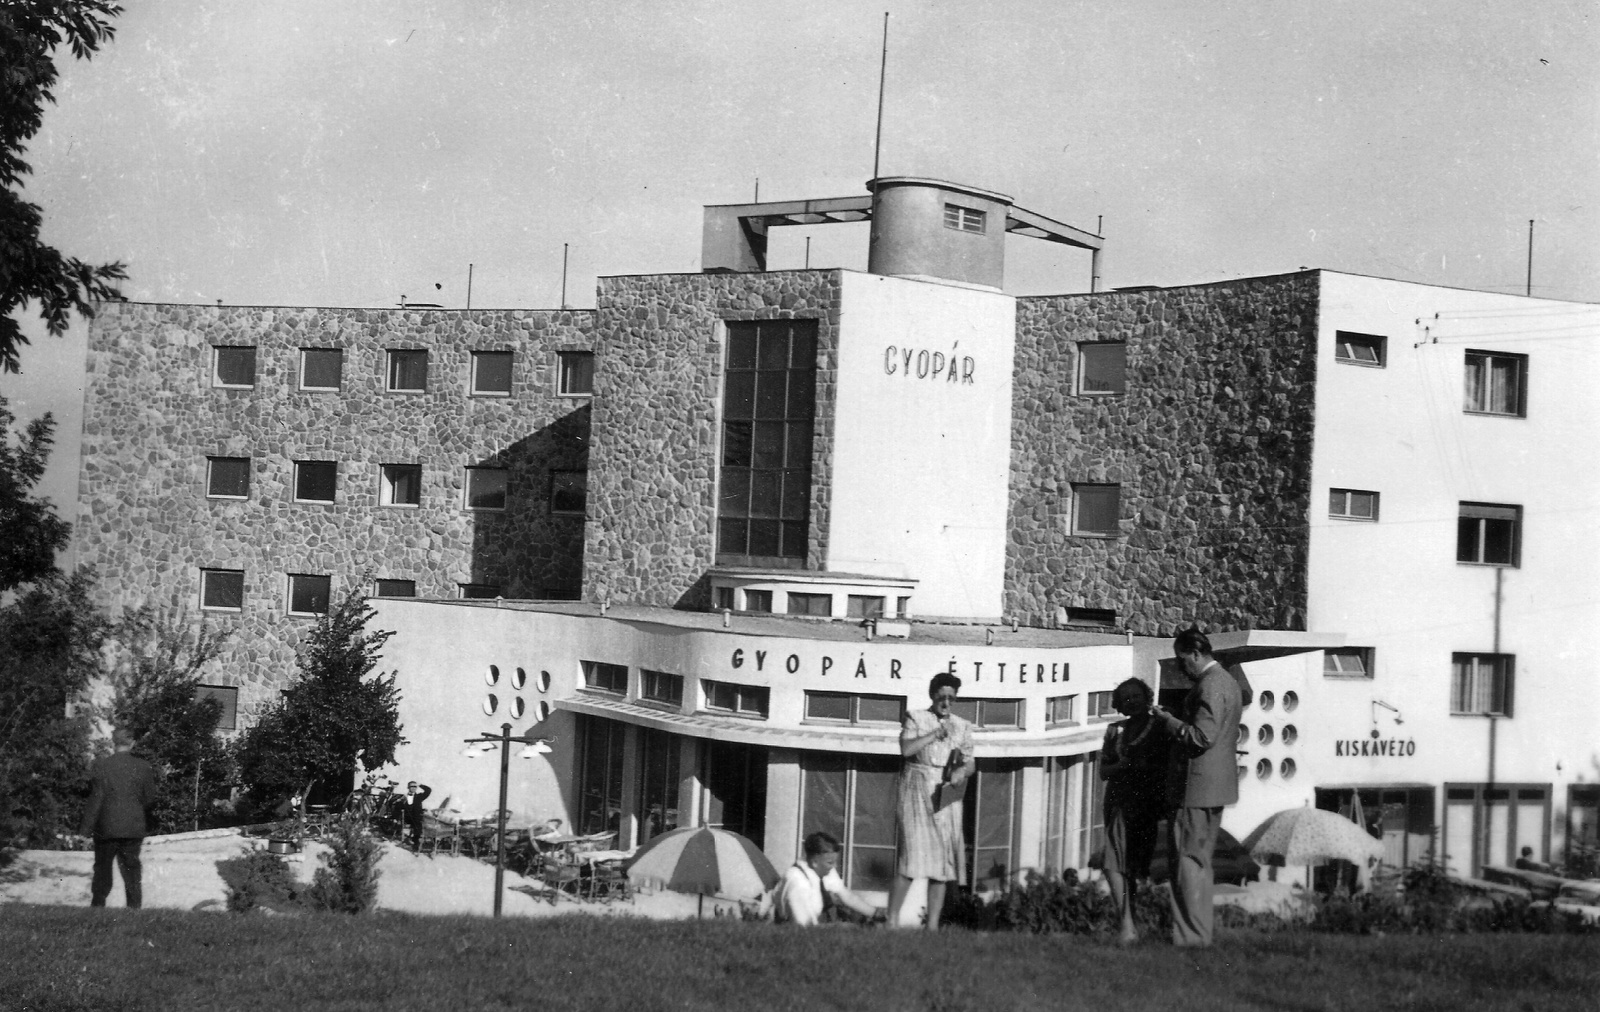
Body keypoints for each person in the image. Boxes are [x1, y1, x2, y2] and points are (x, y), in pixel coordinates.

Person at [1148, 628, 1241, 948]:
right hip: (1215, 787)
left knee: (1186, 862)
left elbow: (1202, 737)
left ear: (1196, 654)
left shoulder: (1209, 686)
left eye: (1182, 658)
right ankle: (1198, 935)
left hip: (1194, 787)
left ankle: (1190, 936)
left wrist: (1167, 721)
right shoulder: (1227, 682)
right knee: (1198, 862)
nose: (1180, 665)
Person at [887, 672, 975, 930]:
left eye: (951, 698)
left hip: (946, 793)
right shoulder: (916, 717)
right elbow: (906, 750)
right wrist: (934, 734)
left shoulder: (962, 726)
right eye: (942, 697)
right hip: (916, 790)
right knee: (911, 859)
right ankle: (891, 921)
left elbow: (970, 761)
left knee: (943, 864)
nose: (946, 703)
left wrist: (961, 772)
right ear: (932, 695)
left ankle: (932, 926)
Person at [1098, 677, 1168, 944]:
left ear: (1146, 696)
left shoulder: (1161, 726)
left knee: (1139, 866)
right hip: (1119, 802)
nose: (1131, 701)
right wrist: (1123, 767)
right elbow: (1104, 771)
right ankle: (1126, 926)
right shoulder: (1114, 730)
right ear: (1119, 704)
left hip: (1150, 804)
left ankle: (1137, 925)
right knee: (1115, 864)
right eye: (1125, 698)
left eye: (1136, 695)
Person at [79, 728, 159, 909]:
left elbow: (96, 799)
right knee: (131, 870)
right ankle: (134, 908)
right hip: (133, 826)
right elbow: (150, 798)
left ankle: (98, 905)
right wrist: (135, 810)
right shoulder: (144, 766)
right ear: (132, 743)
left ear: (113, 743)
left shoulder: (102, 766)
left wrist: (85, 829)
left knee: (102, 869)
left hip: (106, 827)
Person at [773, 831, 884, 926]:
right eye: (830, 863)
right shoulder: (798, 883)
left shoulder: (822, 868)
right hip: (792, 929)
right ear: (815, 862)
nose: (834, 867)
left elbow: (848, 897)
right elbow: (804, 928)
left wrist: (877, 914)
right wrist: (840, 928)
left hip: (816, 923)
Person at [401, 780, 432, 851]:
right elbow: (398, 807)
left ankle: (416, 842)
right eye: (412, 786)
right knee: (417, 823)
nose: (414, 788)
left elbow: (428, 790)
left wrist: (420, 785)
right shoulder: (404, 797)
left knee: (420, 822)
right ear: (408, 787)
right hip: (407, 817)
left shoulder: (419, 796)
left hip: (416, 817)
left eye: (415, 786)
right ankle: (416, 842)